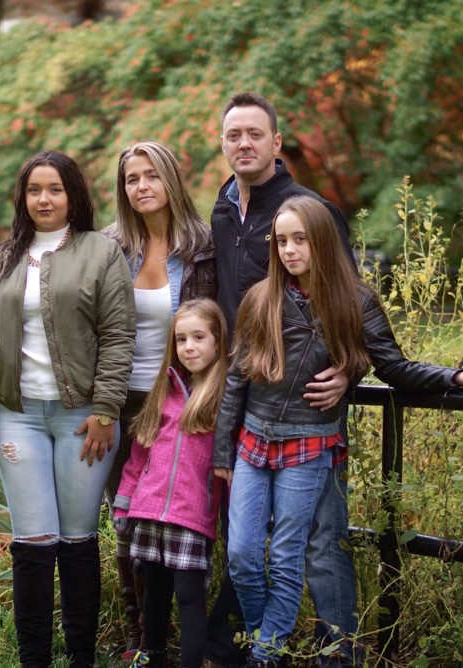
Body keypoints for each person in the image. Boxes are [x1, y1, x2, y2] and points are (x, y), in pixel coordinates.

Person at [213, 196, 463, 666]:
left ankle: (298, 654)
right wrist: (222, 455)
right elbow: (236, 381)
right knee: (242, 554)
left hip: (310, 441)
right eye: (281, 241)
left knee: (302, 553)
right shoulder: (261, 299)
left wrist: (451, 376)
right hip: (254, 441)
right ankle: (265, 643)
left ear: (321, 240)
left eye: (300, 239)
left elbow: (394, 367)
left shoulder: (354, 300)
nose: (290, 250)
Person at [0, 150, 136, 668]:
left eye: (55, 189)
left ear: (72, 195)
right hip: (17, 417)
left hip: (84, 418)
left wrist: (106, 409)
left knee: (78, 539)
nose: (44, 198)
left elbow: (118, 335)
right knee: (33, 543)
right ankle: (34, 659)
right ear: (23, 197)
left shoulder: (100, 252)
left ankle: (82, 658)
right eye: (35, 189)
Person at [206, 92, 357, 668]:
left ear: (276, 142)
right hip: (243, 397)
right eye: (232, 135)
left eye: (254, 134)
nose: (243, 143)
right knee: (242, 542)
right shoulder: (222, 209)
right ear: (223, 144)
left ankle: (338, 654)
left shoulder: (307, 210)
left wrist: (349, 369)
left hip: (310, 409)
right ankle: (253, 646)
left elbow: (350, 305)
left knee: (318, 543)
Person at [102, 141, 218, 657]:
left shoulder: (203, 247)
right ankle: (140, 643)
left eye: (151, 175)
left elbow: (219, 323)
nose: (142, 186)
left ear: (170, 179)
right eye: (132, 179)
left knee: (185, 517)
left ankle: (191, 641)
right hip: (119, 400)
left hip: (180, 401)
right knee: (126, 521)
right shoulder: (109, 247)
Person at [112, 298, 229, 668]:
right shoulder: (165, 391)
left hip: (191, 515)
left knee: (190, 595)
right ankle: (153, 656)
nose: (189, 347)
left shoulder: (223, 398)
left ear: (217, 341)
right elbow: (139, 456)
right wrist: (124, 500)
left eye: (199, 337)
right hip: (148, 510)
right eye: (181, 339)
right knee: (155, 592)